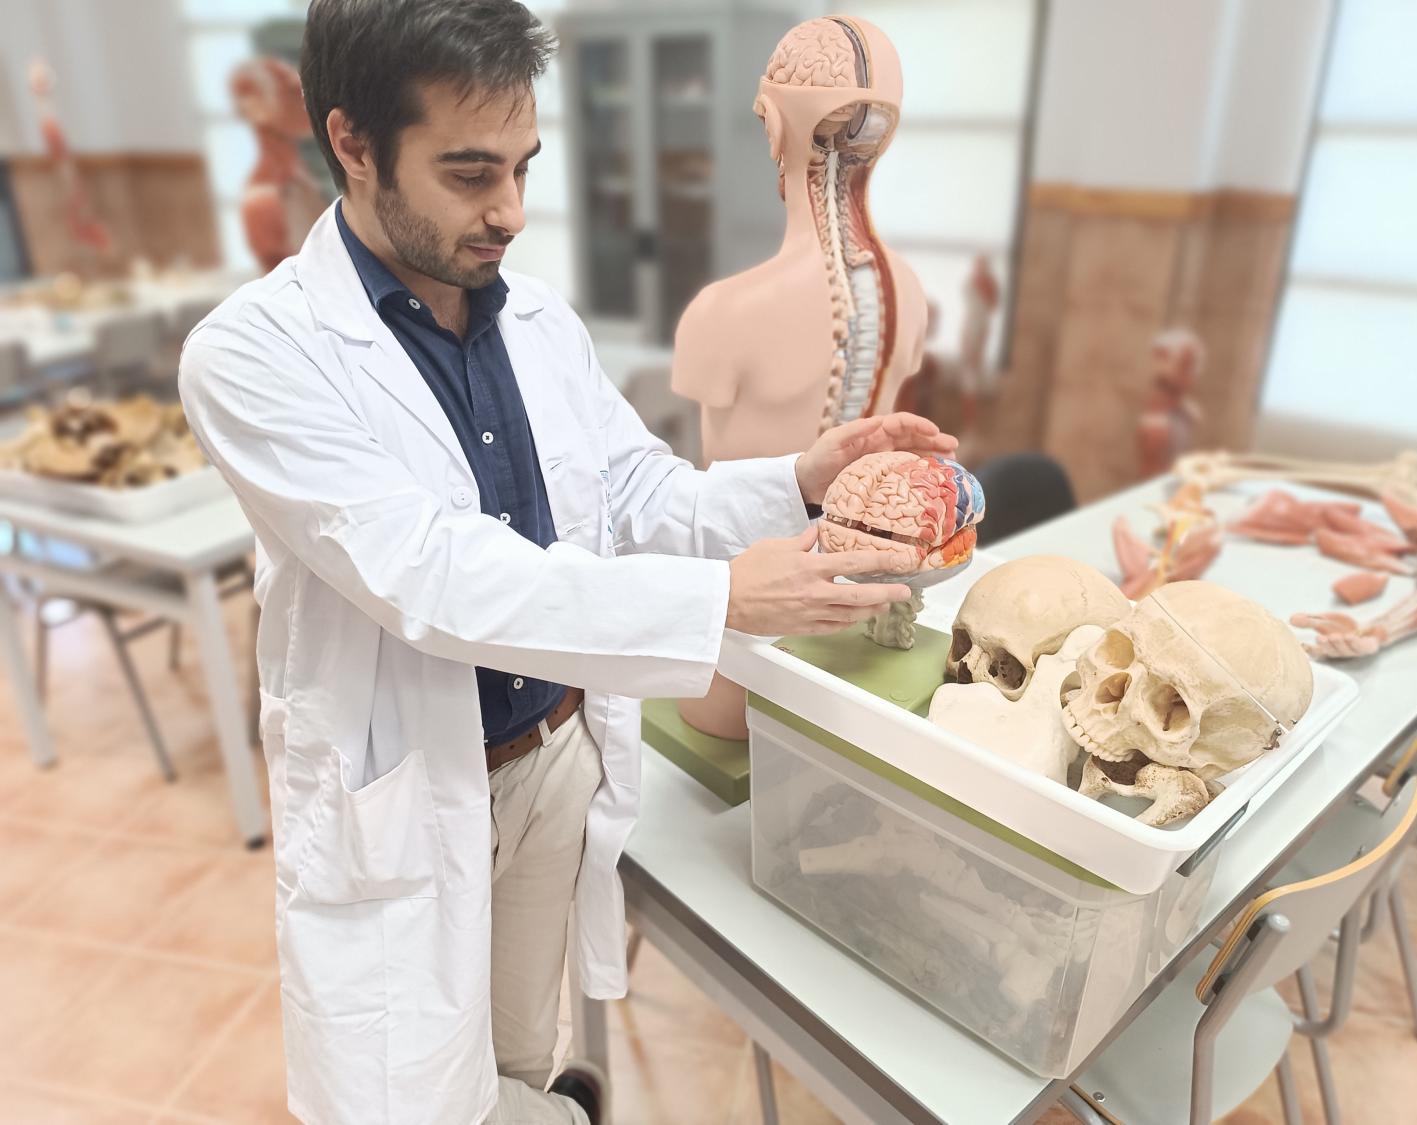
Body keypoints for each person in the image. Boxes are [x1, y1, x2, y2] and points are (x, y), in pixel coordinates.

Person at [177, 1, 956, 1123]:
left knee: (515, 1049)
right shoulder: (254, 355)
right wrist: (719, 599)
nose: (509, 211)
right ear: (352, 143)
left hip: (551, 760)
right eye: (469, 172)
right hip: (406, 792)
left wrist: (800, 478)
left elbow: (635, 492)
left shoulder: (537, 320)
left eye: (524, 167)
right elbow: (433, 574)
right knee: (413, 1102)